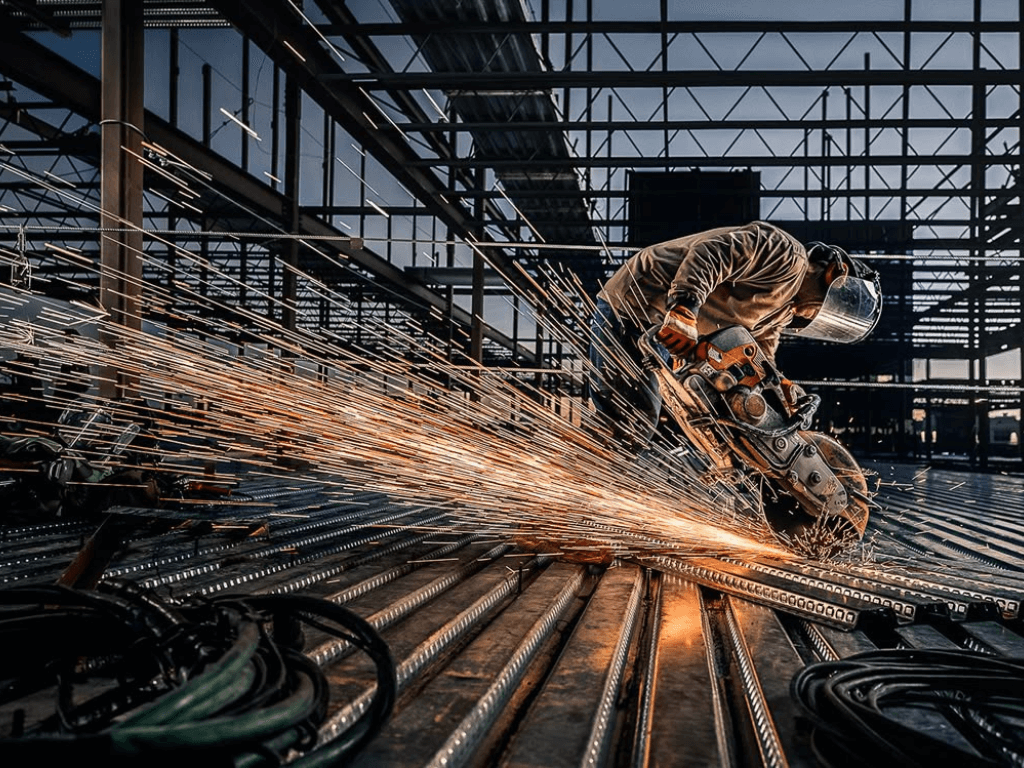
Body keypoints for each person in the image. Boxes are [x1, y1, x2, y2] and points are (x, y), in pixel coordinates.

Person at [588, 220, 881, 443]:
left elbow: (758, 350)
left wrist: (777, 389)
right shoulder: (787, 255)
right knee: (630, 420)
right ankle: (575, 490)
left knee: (679, 419)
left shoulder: (783, 311)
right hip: (636, 305)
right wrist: (684, 307)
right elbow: (712, 254)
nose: (818, 316)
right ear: (834, 274)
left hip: (663, 331)